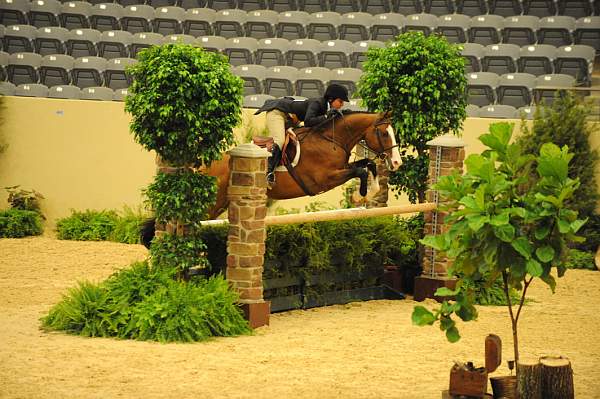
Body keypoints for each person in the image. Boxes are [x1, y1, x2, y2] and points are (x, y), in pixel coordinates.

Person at [254, 83, 350, 185]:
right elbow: (308, 121)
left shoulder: (327, 108)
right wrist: (326, 117)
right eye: (340, 101)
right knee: (280, 140)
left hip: (291, 119)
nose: (342, 104)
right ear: (331, 99)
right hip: (278, 112)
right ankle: (269, 172)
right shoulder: (317, 103)